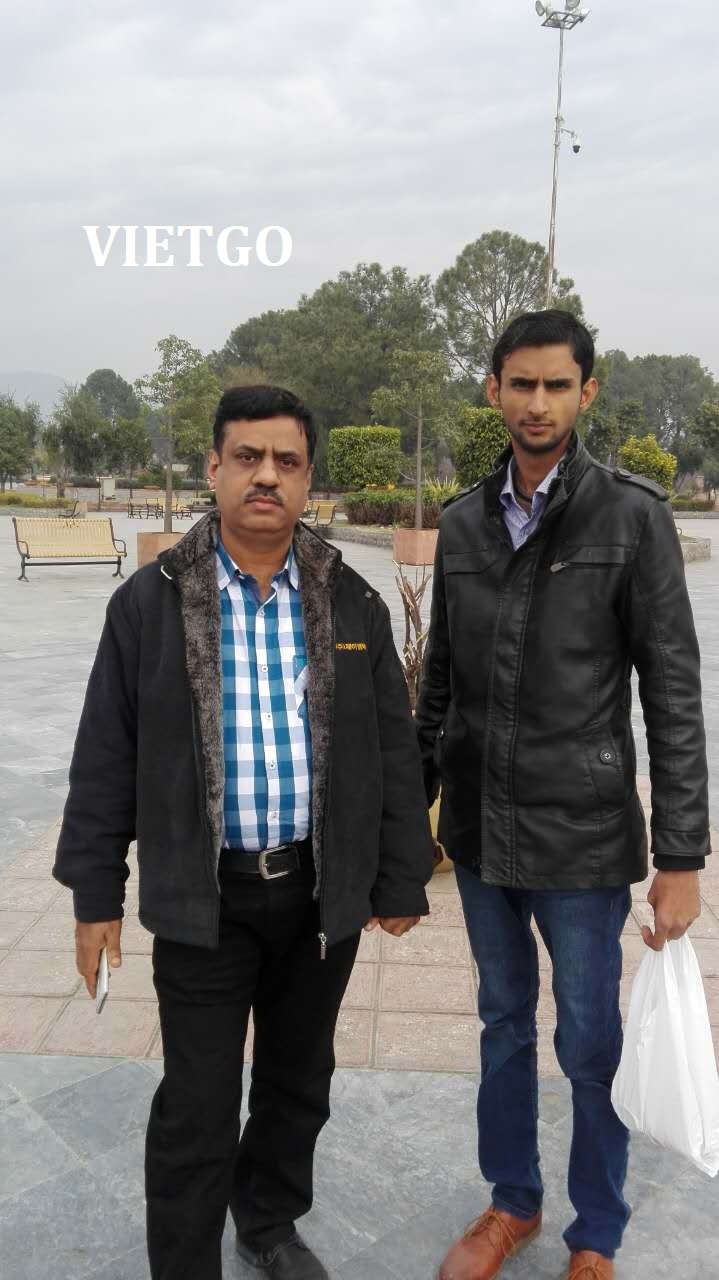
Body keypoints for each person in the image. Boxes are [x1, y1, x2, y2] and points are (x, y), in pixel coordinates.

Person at [54, 384, 435, 1280]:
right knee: (197, 1102)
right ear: (214, 468)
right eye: (248, 458)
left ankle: (267, 1223)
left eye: (286, 462)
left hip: (316, 895)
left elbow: (391, 747)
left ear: (308, 480)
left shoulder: (351, 603)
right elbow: (105, 754)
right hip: (205, 900)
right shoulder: (149, 605)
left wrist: (398, 876)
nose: (267, 476)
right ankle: (185, 1262)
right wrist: (95, 895)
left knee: (299, 1082)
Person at [415, 311, 710, 1280]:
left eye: (554, 385)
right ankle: (512, 1202)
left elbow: (671, 692)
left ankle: (596, 1229)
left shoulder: (630, 517)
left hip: (581, 836)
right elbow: (439, 684)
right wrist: (405, 822)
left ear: (585, 391)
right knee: (502, 1024)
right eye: (519, 383)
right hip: (479, 833)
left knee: (588, 1041)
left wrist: (680, 856)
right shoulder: (463, 521)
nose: (536, 403)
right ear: (493, 390)